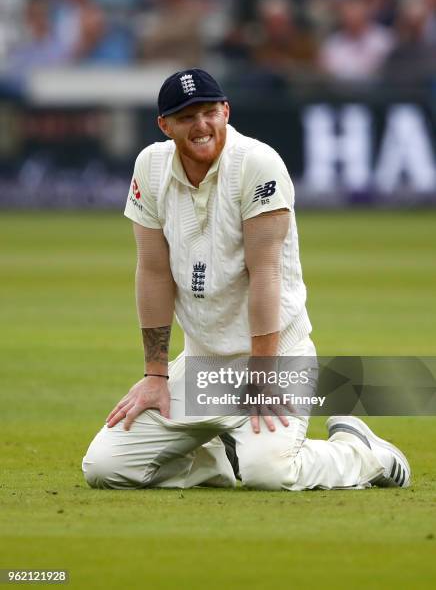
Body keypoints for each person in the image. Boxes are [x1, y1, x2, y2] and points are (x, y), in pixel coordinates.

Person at [82, 68, 410, 491]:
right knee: (106, 469)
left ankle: (361, 453)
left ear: (225, 111)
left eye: (209, 112)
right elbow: (153, 271)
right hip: (204, 365)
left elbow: (266, 273)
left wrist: (263, 372)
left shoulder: (257, 162)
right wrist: (155, 374)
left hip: (277, 357)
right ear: (164, 125)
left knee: (269, 473)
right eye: (186, 117)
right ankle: (218, 458)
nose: (201, 125)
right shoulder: (150, 165)